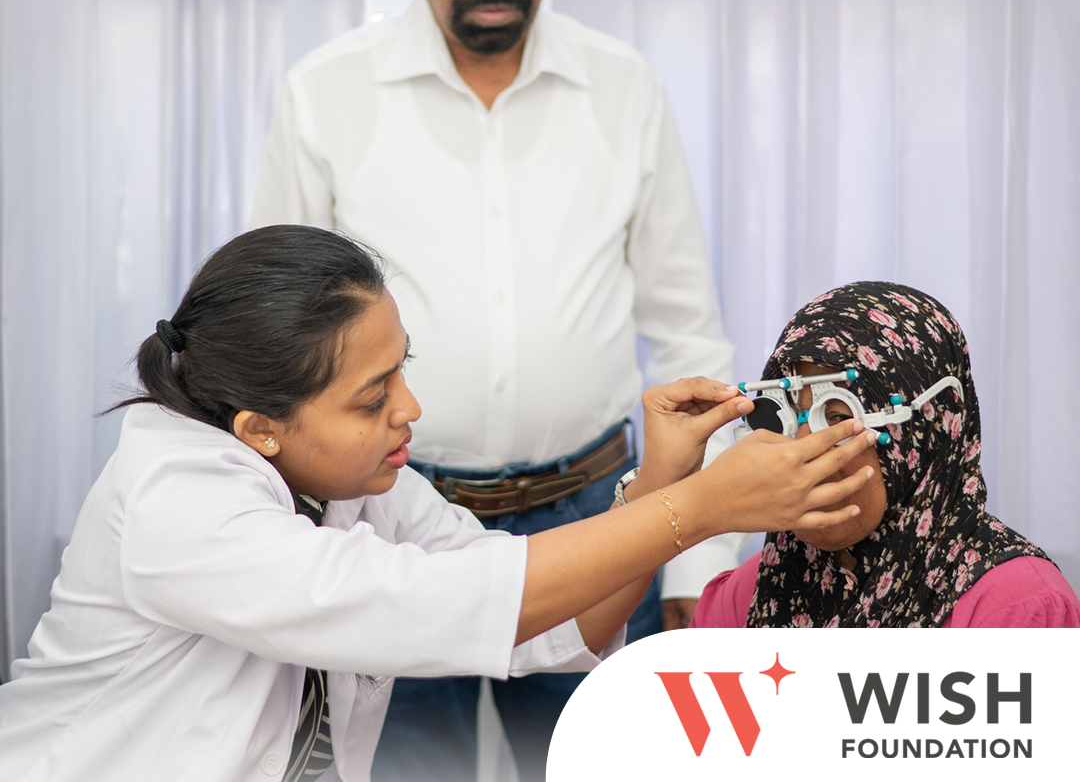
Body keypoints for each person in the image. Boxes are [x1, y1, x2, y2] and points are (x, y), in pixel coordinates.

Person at [0, 225, 880, 782]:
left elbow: (549, 627)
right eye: (371, 396)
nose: (410, 413)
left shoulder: (362, 489)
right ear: (260, 427)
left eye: (403, 371)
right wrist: (702, 510)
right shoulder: (176, 504)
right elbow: (437, 604)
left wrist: (663, 484)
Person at [249, 0, 742, 779]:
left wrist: (694, 562)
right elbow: (270, 353)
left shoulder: (625, 90)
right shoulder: (324, 96)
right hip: (388, 531)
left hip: (599, 520)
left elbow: (690, 345)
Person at [690, 281, 1080, 629]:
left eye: (838, 417)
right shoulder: (750, 592)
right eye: (787, 417)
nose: (802, 451)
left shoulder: (1019, 608)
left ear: (925, 433)